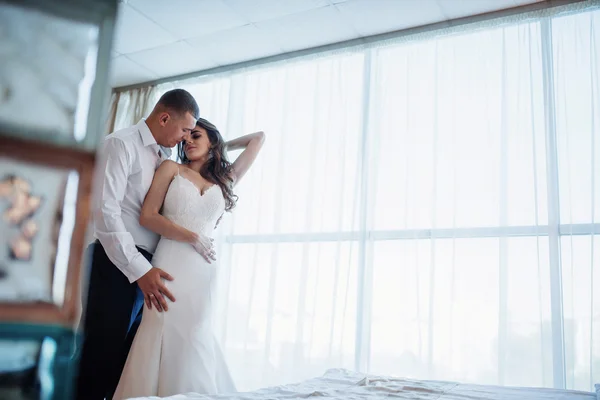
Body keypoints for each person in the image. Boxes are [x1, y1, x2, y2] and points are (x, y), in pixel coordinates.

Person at [113, 118, 265, 399]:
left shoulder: (225, 179)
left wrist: (221, 146)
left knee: (195, 332)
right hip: (170, 261)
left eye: (196, 136)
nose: (188, 142)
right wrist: (192, 237)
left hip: (203, 272)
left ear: (212, 142)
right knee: (159, 326)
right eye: (185, 138)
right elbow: (148, 216)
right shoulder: (172, 169)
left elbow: (259, 138)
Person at [76, 89, 200, 400]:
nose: (187, 138)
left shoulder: (165, 156)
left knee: (125, 362)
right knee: (99, 357)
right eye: (185, 129)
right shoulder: (120, 144)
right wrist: (140, 270)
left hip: (147, 268)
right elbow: (105, 213)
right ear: (164, 117)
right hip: (114, 262)